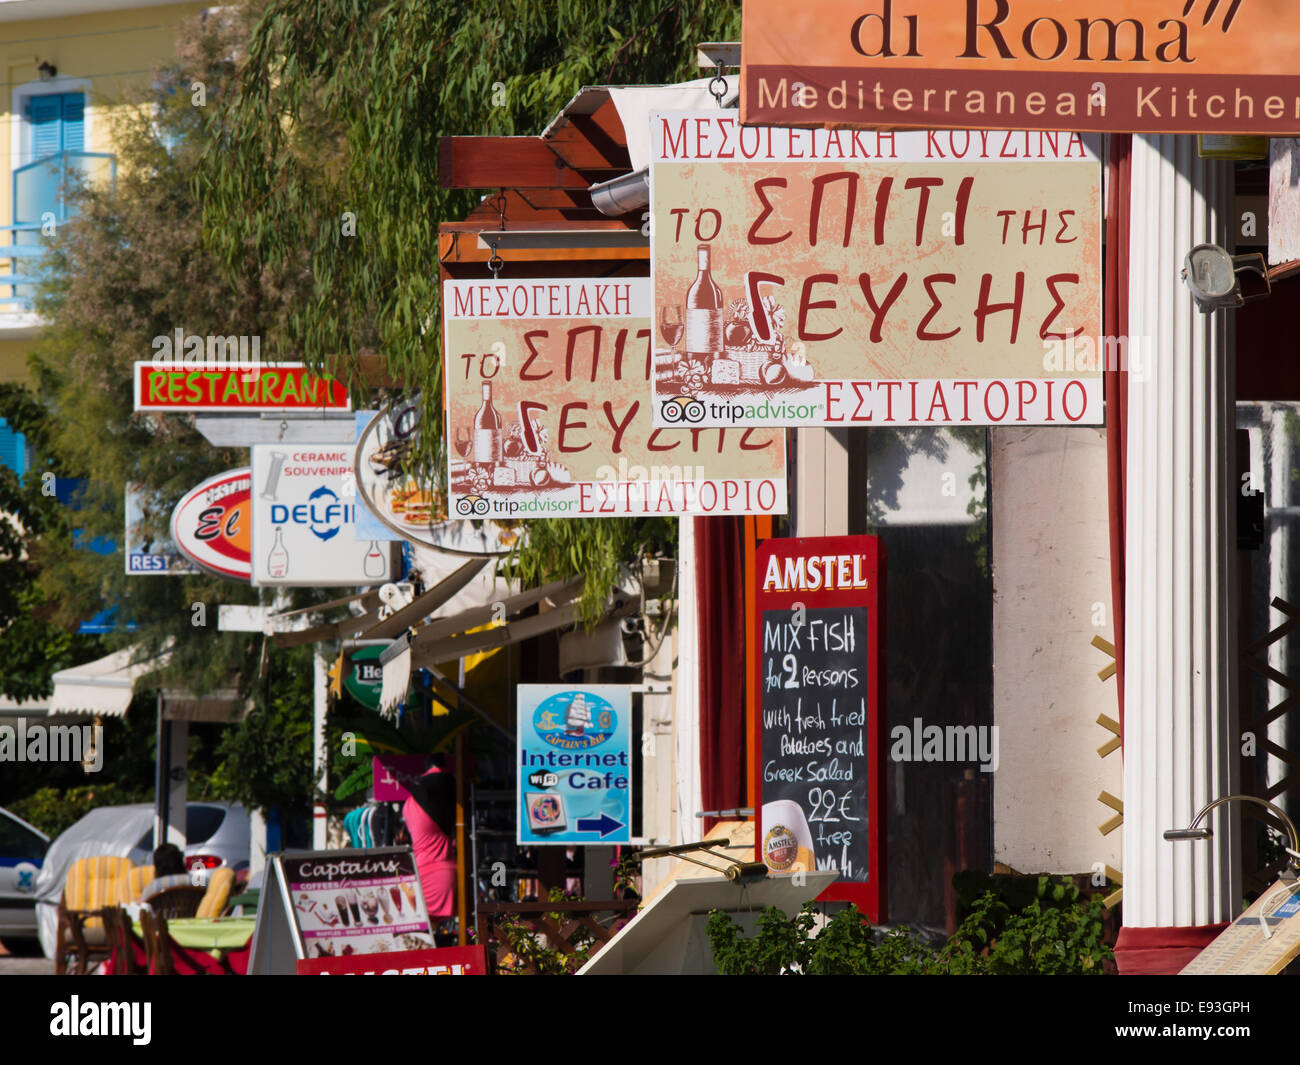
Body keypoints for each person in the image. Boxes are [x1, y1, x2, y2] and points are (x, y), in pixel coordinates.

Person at [401, 754, 457, 923]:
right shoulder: (447, 784)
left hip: (426, 873)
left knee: (421, 936)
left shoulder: (423, 787)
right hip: (441, 871)